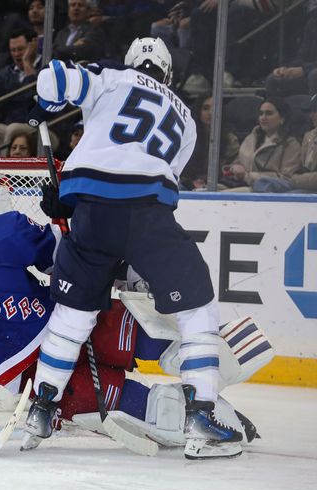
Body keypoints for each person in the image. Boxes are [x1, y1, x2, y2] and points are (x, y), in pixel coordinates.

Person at [0, 197, 265, 453]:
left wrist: (116, 270)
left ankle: (213, 384)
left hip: (72, 322)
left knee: (158, 337)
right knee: (133, 406)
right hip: (30, 376)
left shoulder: (2, 235)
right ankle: (210, 422)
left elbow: (66, 258)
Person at [29, 37, 243, 459]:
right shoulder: (186, 118)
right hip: (148, 216)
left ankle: (41, 409)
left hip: (91, 215)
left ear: (131, 62)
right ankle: (201, 415)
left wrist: (45, 106)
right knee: (196, 308)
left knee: (73, 315)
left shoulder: (110, 77)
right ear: (167, 74)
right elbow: (154, 176)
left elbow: (51, 80)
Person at [0, 29, 42, 148]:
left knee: (13, 130)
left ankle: (5, 166)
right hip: (7, 126)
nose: (17, 54)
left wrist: (27, 62)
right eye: (13, 50)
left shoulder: (46, 65)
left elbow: (34, 97)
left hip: (39, 127)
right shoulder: (6, 72)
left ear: (32, 46)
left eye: (21, 49)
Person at [224, 97, 301, 192]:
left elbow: (286, 178)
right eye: (261, 114)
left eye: (269, 113)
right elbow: (236, 163)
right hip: (236, 184)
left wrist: (247, 176)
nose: (263, 117)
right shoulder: (251, 138)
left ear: (282, 118)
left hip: (265, 191)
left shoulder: (291, 144)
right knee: (209, 189)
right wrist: (233, 169)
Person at [182, 95, 239, 190]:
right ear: (199, 111)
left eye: (215, 108)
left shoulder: (231, 140)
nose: (211, 112)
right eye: (205, 108)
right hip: (188, 185)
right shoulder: (188, 137)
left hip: (220, 187)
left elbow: (230, 171)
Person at [291, 94, 317, 192]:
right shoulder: (309, 136)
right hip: (305, 186)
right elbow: (298, 168)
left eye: (315, 111)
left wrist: (294, 179)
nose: (311, 115)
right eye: (311, 111)